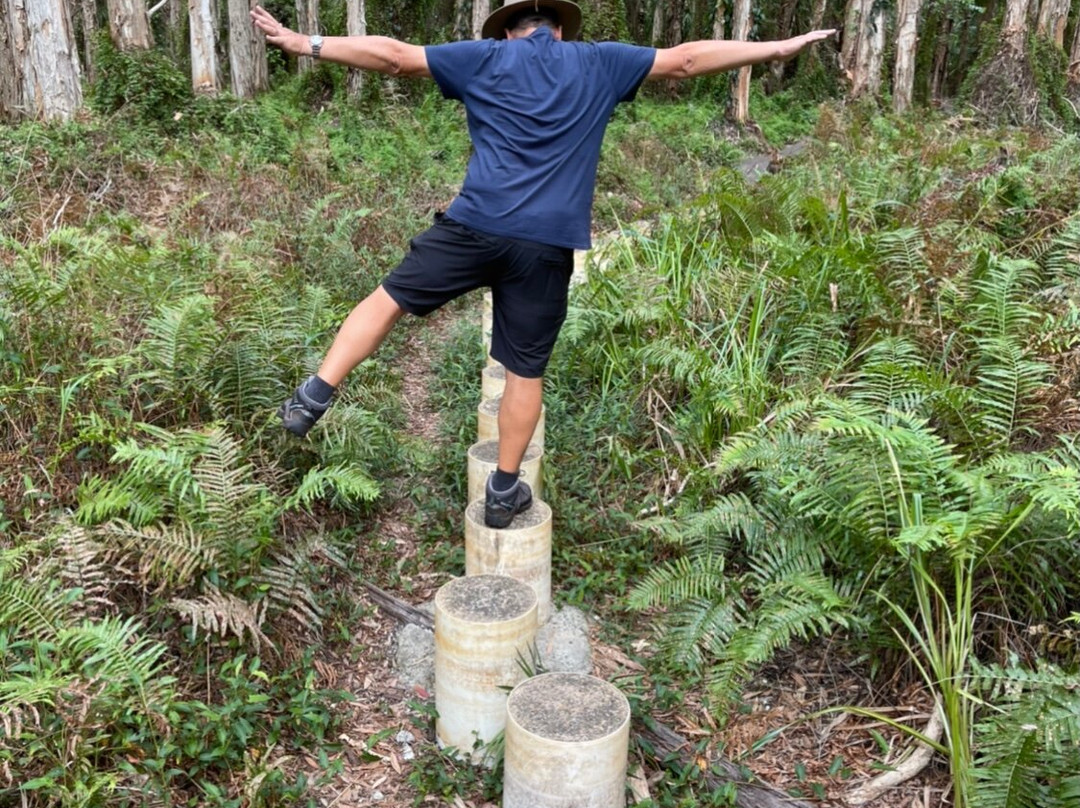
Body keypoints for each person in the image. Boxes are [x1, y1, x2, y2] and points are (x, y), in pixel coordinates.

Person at [251, 0, 835, 529]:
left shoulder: (484, 57)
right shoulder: (598, 62)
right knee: (523, 369)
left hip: (471, 226)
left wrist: (306, 43)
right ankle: (504, 492)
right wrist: (778, 48)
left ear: (508, 30)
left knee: (390, 299)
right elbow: (685, 60)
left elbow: (396, 57)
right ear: (559, 28)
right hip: (545, 246)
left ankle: (314, 396)